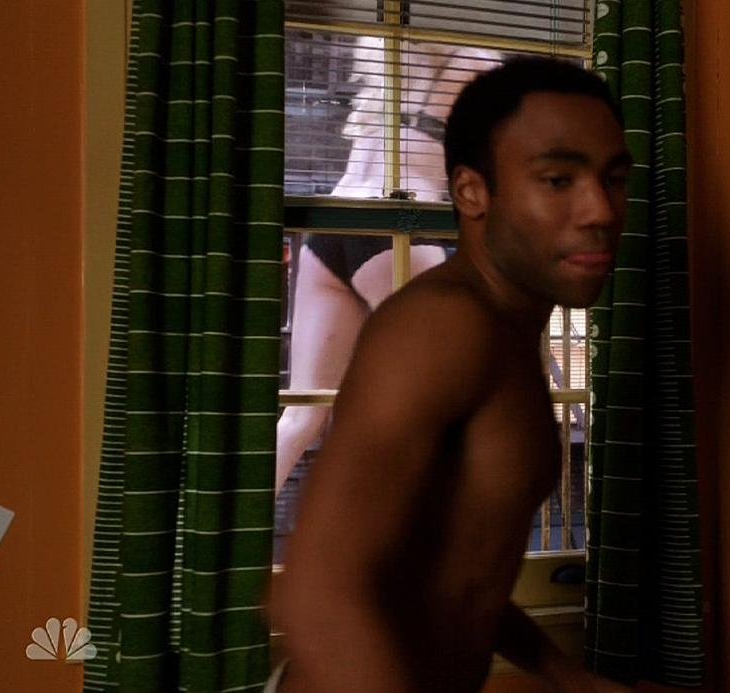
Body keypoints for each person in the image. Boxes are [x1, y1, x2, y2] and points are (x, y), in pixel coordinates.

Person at [269, 56, 636, 692]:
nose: (600, 210)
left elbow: (456, 575)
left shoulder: (503, 329)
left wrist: (566, 676)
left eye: (614, 179)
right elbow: (315, 595)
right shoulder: (445, 326)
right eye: (558, 180)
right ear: (471, 192)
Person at [275, 38, 502, 497]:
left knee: (301, 415)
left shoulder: (386, 55)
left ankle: (227, 534)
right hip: (397, 226)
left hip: (334, 224)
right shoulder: (474, 57)